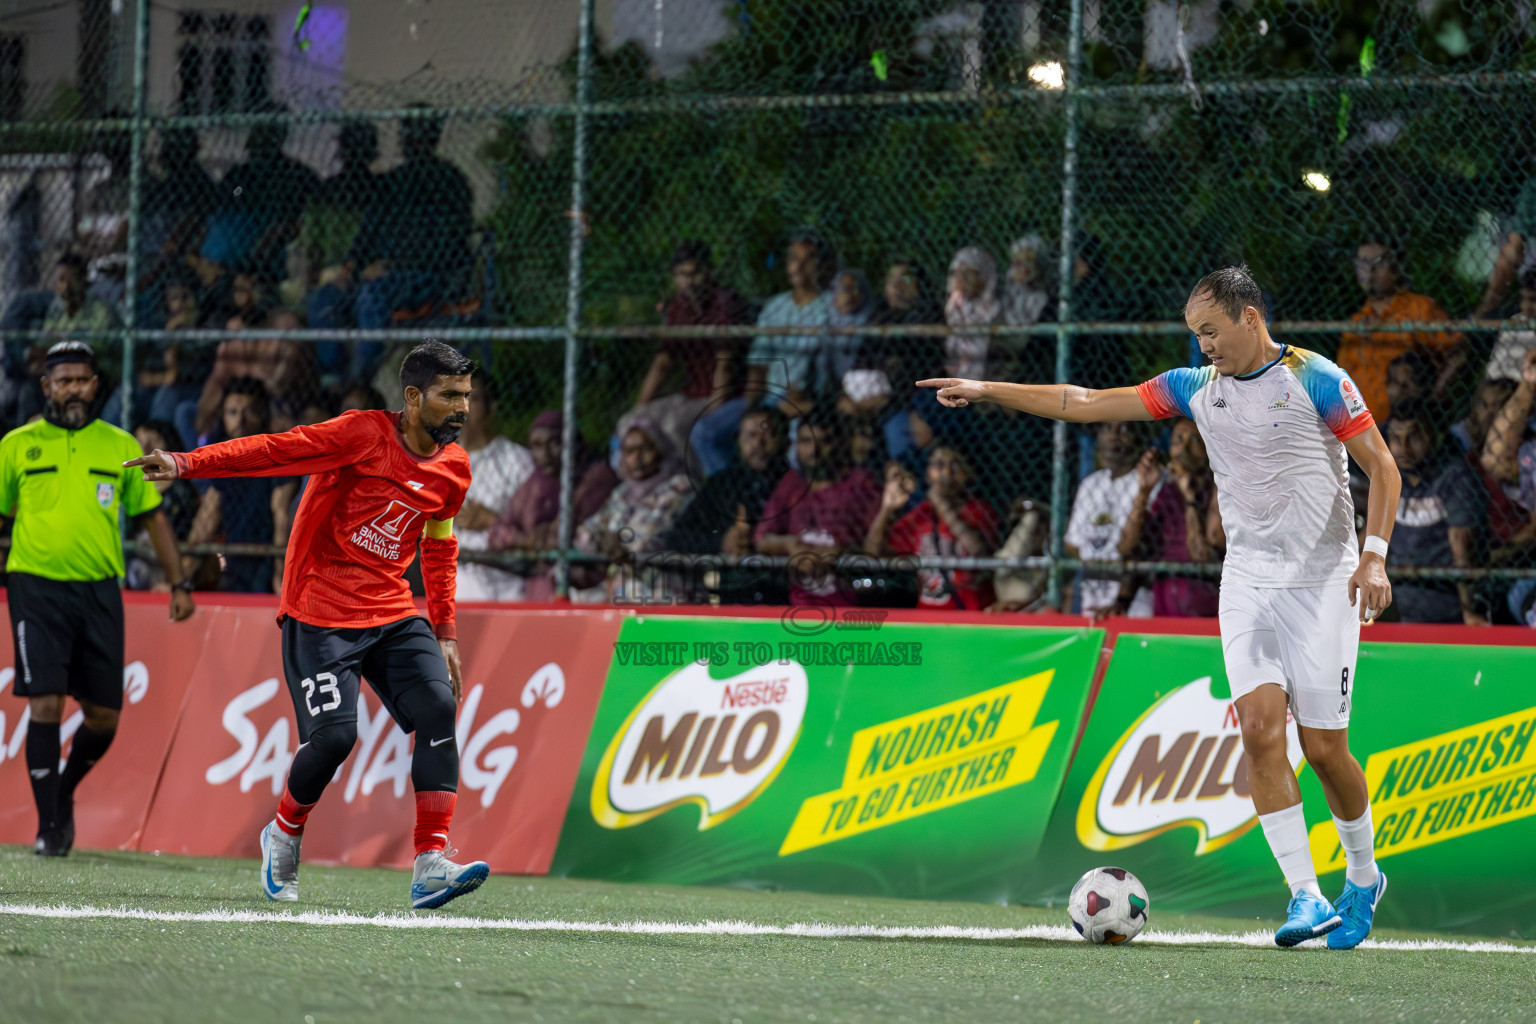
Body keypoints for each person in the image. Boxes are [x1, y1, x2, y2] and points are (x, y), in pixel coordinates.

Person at [921, 264, 1401, 950]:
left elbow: (1382, 467)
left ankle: (1363, 876)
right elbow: (1082, 401)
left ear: (1249, 318)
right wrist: (987, 390)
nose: (1202, 346)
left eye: (1210, 331)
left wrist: (1374, 554)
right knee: (1261, 732)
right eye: (1194, 334)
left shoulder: (1317, 377)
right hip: (1246, 584)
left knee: (1325, 750)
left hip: (1325, 583)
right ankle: (1304, 893)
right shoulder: (1195, 389)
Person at [126, 340, 489, 909]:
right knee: (336, 737)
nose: (461, 408)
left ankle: (429, 863)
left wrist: (444, 631)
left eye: (465, 396)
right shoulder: (360, 434)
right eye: (449, 396)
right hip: (320, 610)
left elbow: (439, 547)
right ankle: (284, 831)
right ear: (413, 397)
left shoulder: (454, 469)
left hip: (393, 611)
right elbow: (275, 451)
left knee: (439, 708)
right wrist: (186, 463)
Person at [3, 342, 194, 856]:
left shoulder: (118, 444)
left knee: (104, 716)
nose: (74, 390)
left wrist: (179, 582)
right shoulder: (16, 445)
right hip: (34, 585)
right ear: (46, 387)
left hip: (99, 591)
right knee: (43, 701)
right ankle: (48, 828)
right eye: (63, 381)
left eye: (83, 380)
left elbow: (151, 516)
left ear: (95, 385)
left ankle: (62, 794)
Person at [624, 241, 751, 468]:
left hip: (724, 393)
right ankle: (636, 485)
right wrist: (640, 408)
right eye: (682, 275)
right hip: (692, 394)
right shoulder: (676, 307)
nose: (689, 281)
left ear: (709, 272)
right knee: (629, 423)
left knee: (674, 424)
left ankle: (690, 479)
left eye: (696, 273)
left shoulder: (724, 302)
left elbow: (725, 361)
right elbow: (662, 361)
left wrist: (716, 405)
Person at [659, 406, 790, 604]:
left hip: (784, 592)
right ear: (738, 441)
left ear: (784, 441)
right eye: (750, 436)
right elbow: (678, 537)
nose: (758, 443)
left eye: (769, 435)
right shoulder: (720, 485)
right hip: (730, 592)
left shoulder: (797, 486)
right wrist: (721, 541)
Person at [486, 410, 618, 601]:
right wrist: (528, 541)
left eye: (555, 443)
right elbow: (496, 534)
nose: (545, 454)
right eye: (537, 446)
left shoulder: (595, 478)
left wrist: (528, 541)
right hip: (540, 586)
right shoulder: (535, 483)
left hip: (586, 587)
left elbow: (559, 537)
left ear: (572, 443)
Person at [183, 378, 298, 593]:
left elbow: (282, 518)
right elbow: (206, 522)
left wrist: (280, 577)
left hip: (269, 559)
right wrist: (180, 579)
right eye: (233, 412)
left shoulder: (278, 455)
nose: (241, 421)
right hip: (235, 561)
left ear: (262, 414)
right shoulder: (224, 462)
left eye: (249, 411)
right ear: (224, 418)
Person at [754, 411, 881, 606]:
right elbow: (762, 538)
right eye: (806, 441)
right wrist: (790, 545)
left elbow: (878, 543)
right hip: (798, 599)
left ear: (839, 444)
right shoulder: (791, 483)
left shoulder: (860, 483)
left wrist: (841, 552)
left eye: (824, 441)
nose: (814, 451)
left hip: (852, 595)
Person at [1383, 403, 1488, 624]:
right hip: (1405, 608)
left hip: (1452, 613)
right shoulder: (1390, 477)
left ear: (1433, 435)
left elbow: (1461, 545)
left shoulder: (1454, 477)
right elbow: (1368, 537)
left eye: (1414, 437)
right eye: (1395, 438)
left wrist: (1469, 610)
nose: (1404, 448)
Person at [1336, 240, 1464, 419]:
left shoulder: (1419, 309)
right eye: (1362, 263)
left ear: (1396, 266)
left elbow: (1458, 349)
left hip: (1404, 423)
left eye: (1378, 262)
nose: (1370, 271)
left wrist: (1436, 395)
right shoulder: (1356, 322)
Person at [864, 441, 999, 610]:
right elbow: (871, 554)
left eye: (956, 465)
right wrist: (886, 510)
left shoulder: (979, 511)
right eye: (939, 465)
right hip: (929, 613)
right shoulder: (920, 515)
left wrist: (941, 504)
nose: (947, 473)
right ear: (928, 474)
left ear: (969, 473)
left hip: (971, 614)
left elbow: (977, 550)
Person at [570, 419, 692, 604]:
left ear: (661, 450)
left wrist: (613, 540)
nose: (637, 458)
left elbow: (648, 539)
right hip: (621, 581)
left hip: (661, 583)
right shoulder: (622, 493)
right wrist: (604, 540)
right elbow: (585, 533)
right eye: (629, 451)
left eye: (646, 449)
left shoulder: (677, 487)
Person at [1116, 418, 1223, 617]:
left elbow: (1202, 556)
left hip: (1206, 612)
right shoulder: (1167, 493)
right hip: (1166, 611)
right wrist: (1143, 491)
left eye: (1194, 440)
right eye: (1177, 441)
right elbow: (1125, 547)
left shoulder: (1216, 489)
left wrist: (1189, 497)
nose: (1184, 448)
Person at [1063, 421, 1157, 617]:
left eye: (1124, 430)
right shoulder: (1090, 484)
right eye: (1107, 429)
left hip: (1135, 602)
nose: (1113, 437)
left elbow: (1141, 544)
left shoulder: (1150, 480)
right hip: (1092, 594)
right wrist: (1104, 555)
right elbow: (1072, 543)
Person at [453, 377, 534, 602]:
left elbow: (536, 533)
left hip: (505, 590)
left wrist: (492, 520)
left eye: (474, 398)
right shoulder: (436, 462)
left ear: (492, 407)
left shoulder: (516, 461)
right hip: (452, 590)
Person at [125, 420, 206, 591]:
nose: (146, 448)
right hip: (136, 566)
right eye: (140, 441)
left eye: (154, 441)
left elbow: (191, 544)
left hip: (172, 567)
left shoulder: (181, 493)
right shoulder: (128, 489)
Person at [944, 247, 1000, 381]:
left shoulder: (996, 310)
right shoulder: (952, 307)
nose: (960, 279)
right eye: (955, 274)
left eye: (967, 274)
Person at [1484, 265, 1536, 383]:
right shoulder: (1514, 323)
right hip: (1501, 379)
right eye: (1524, 299)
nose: (1527, 306)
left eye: (1533, 300)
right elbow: (1496, 366)